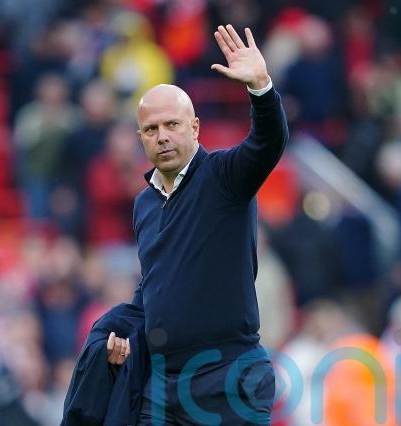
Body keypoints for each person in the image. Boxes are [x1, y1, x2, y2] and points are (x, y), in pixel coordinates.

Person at [105, 24, 289, 425]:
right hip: (162, 381)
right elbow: (155, 283)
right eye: (151, 130)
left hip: (228, 374)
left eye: (172, 124)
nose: (162, 137)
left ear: (195, 128)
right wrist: (125, 333)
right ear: (140, 138)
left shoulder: (224, 176)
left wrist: (260, 88)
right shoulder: (144, 204)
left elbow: (268, 143)